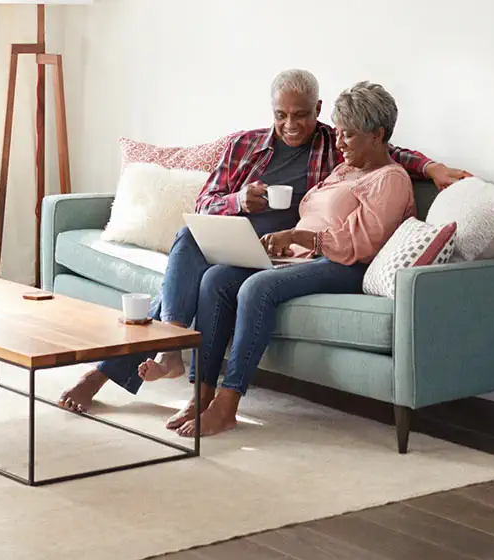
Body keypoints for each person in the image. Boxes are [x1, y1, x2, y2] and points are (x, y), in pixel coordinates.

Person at [56, 70, 471, 428]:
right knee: (191, 243)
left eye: (302, 114)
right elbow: (204, 203)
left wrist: (430, 167)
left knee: (216, 284)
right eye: (281, 114)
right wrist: (239, 201)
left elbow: (383, 153)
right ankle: (182, 363)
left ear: (318, 109)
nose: (291, 124)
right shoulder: (248, 146)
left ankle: (175, 375)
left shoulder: (335, 147)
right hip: (244, 236)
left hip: (298, 248)